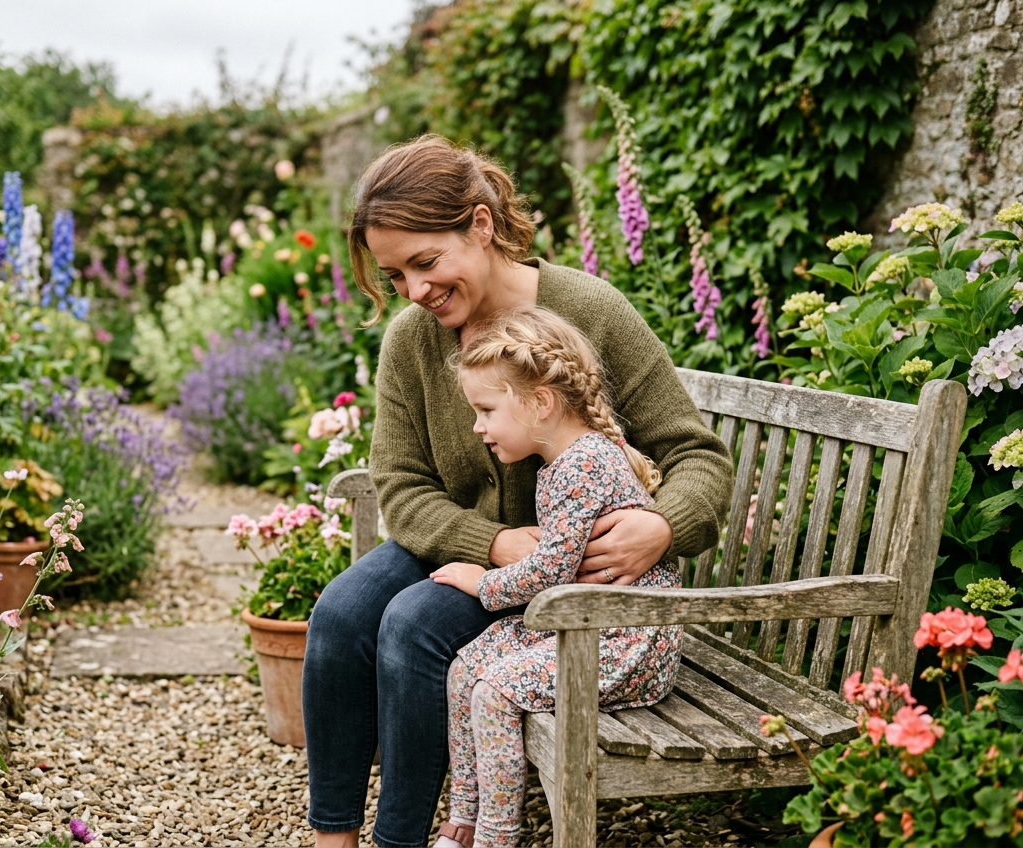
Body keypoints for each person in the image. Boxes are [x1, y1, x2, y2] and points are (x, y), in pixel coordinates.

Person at [302, 134, 732, 848]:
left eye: (425, 262)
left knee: (412, 625)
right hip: (472, 545)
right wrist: (494, 542)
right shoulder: (410, 341)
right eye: (395, 275)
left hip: (571, 573)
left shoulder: (589, 309)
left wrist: (663, 527)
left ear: (480, 223)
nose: (414, 291)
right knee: (341, 615)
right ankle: (333, 836)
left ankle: (402, 838)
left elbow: (697, 457)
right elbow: (402, 488)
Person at [430, 305, 682, 848]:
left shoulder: (584, 464)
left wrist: (481, 580)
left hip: (629, 643)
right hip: (589, 626)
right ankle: (467, 819)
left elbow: (549, 574)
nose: (478, 427)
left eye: (486, 410)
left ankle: (498, 836)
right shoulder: (562, 462)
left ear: (539, 403)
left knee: (496, 692)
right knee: (467, 665)